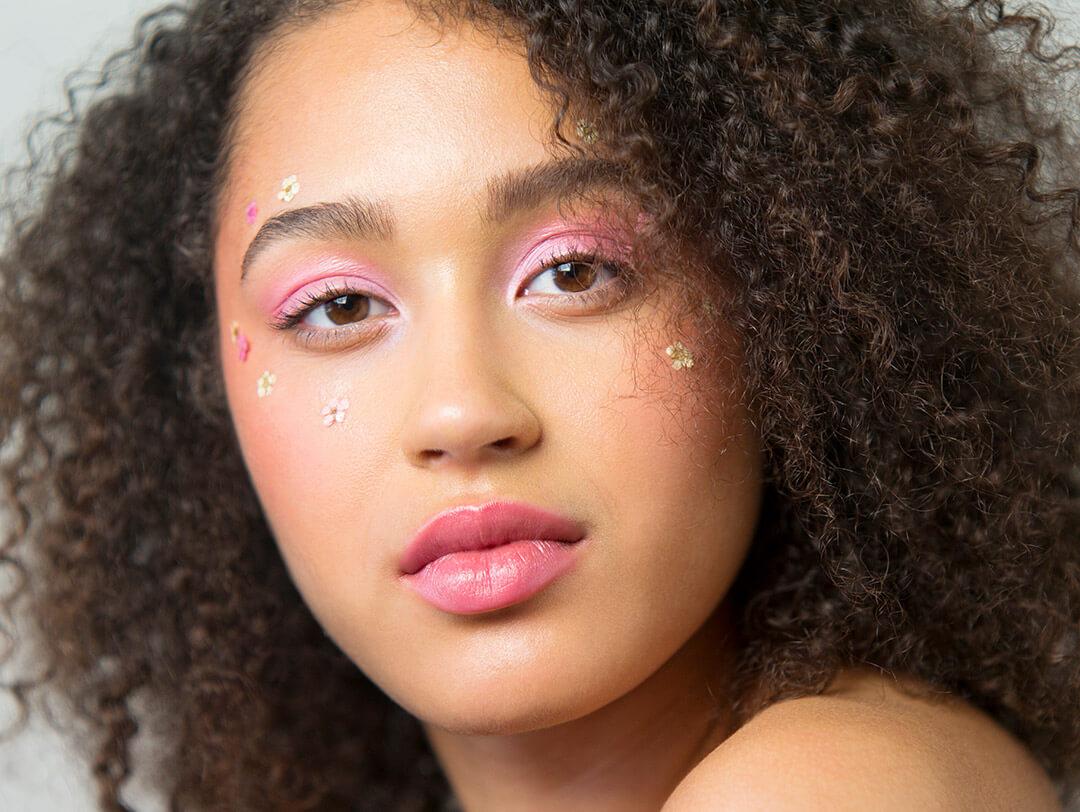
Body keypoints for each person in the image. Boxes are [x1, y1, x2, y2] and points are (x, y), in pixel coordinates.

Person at [0, 0, 1077, 808]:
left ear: (785, 295)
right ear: (202, 389)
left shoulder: (835, 786)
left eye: (574, 272)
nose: (462, 413)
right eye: (338, 305)